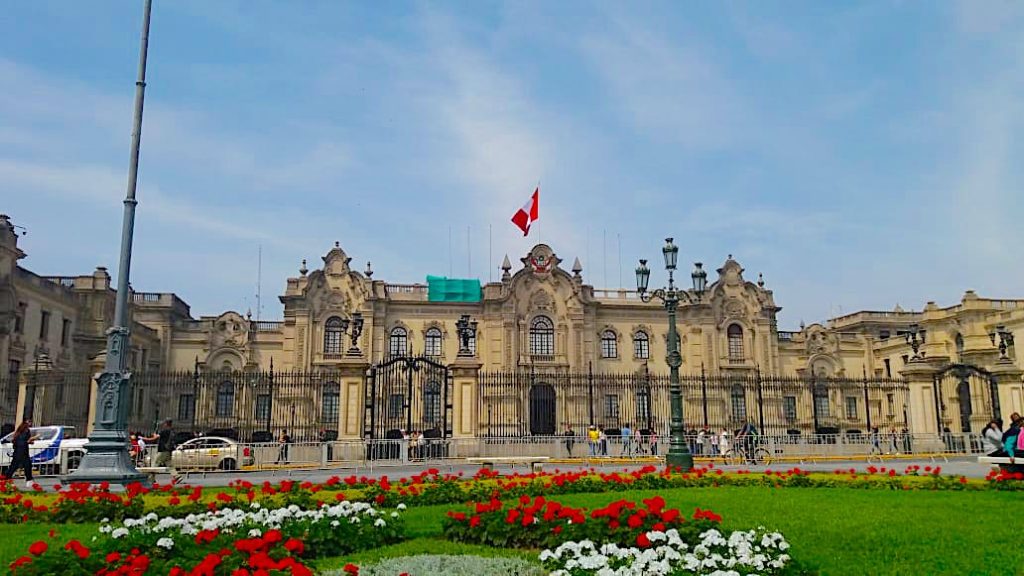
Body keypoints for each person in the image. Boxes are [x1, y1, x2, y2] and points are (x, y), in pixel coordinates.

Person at [2, 420, 39, 484]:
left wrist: (29, 442)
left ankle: (7, 478)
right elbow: (24, 441)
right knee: (27, 465)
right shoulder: (26, 431)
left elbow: (21, 441)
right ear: (27, 424)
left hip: (17, 451)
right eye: (30, 423)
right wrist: (34, 438)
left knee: (14, 466)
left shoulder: (18, 431)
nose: (31, 424)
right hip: (23, 452)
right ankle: (29, 480)